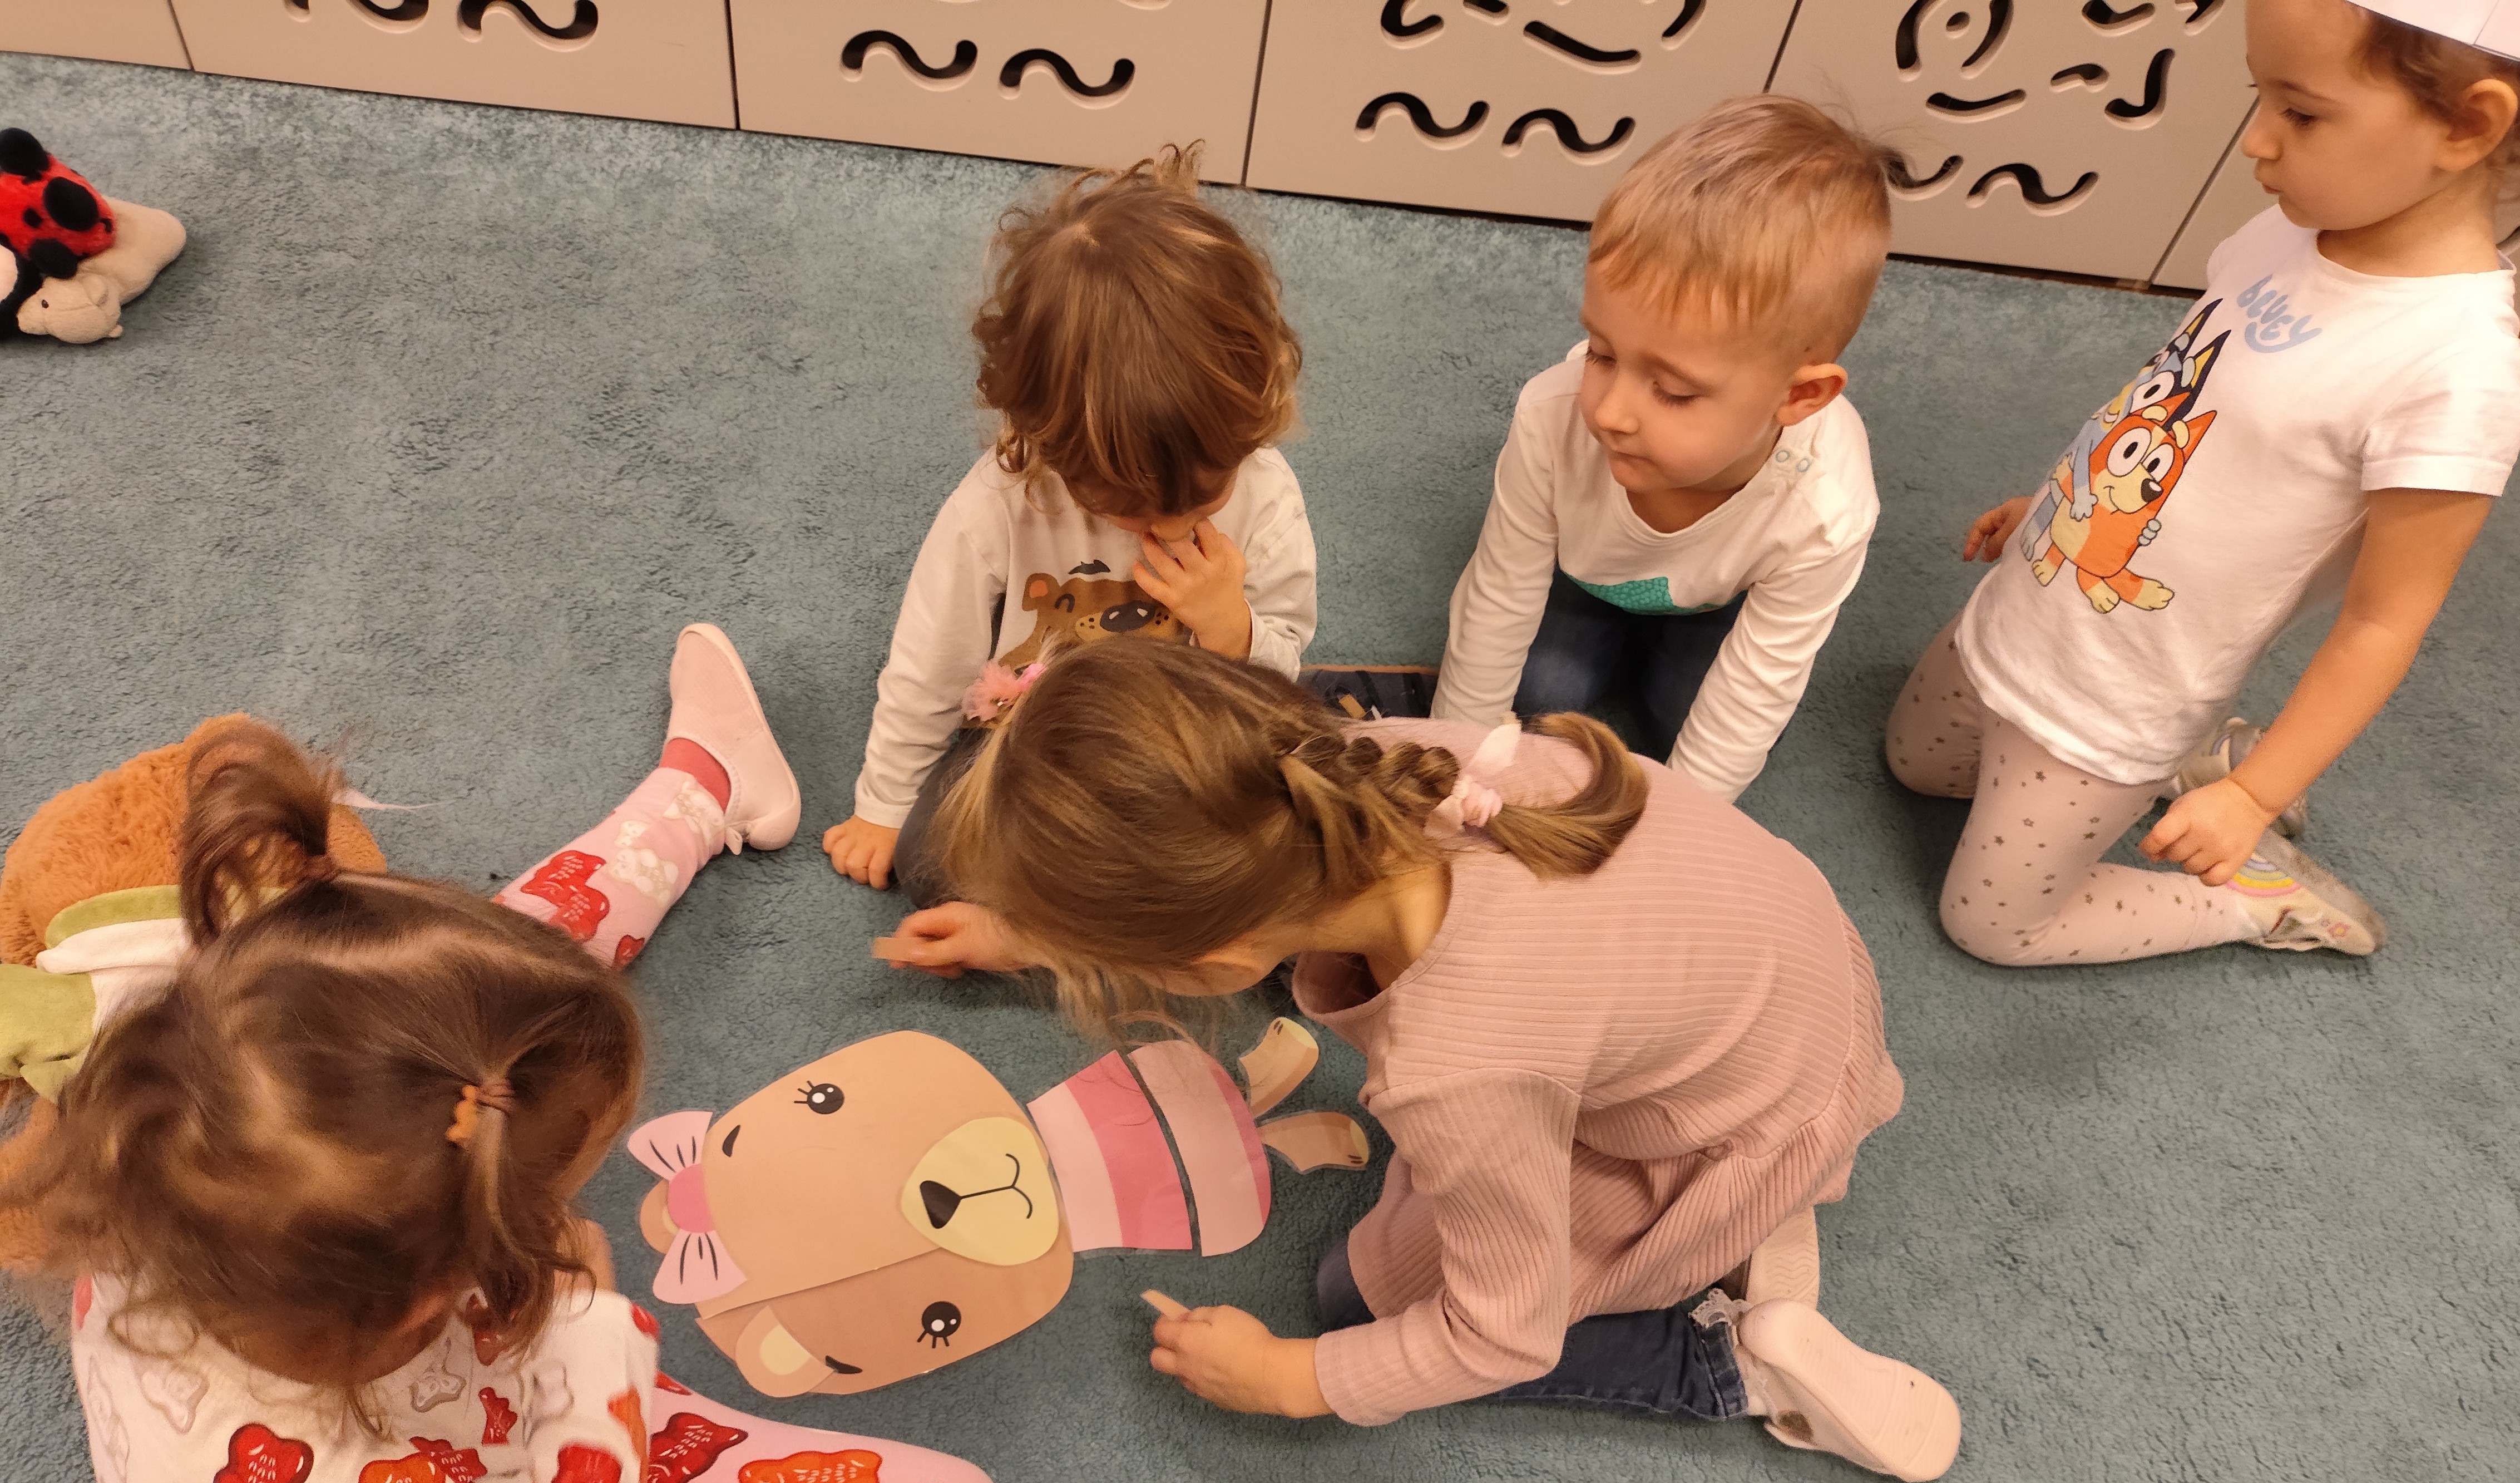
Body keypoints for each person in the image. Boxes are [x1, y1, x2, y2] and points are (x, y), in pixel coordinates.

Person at [10, 679, 1004, 1483]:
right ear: (444, 1293)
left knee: (455, 1001)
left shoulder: (171, 1115)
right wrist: (590, 1333)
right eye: (558, 1188)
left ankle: (698, 794)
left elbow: (416, 1022)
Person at [887, 639, 1962, 1483]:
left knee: (1360, 1304)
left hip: (1743, 1115)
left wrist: (1295, 1379)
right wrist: (1030, 928)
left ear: (1216, 960)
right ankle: (1723, 1212)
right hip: (1787, 972)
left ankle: (1727, 1359)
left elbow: (1503, 1334)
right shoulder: (1371, 762)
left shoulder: (1458, 1066)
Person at [1889, 0, 2520, 964]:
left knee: (1995, 924)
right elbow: (2177, 401)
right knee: (1917, 765)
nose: (2255, 140)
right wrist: (2060, 500)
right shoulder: (2287, 232)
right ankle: (2200, 756)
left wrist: (2255, 796)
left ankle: (2260, 903)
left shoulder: (2458, 373)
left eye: (2300, 113)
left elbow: (2383, 622)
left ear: (2467, 126)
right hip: (2044, 588)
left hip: (2124, 696)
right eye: (2259, 96)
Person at [826, 145, 1318, 904]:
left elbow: (1280, 675)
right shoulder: (1001, 501)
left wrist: (1233, 628)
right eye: (1130, 504)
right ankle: (1109, 914)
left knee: (1289, 844)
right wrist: (883, 803)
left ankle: (1074, 915)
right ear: (1046, 442)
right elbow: (930, 659)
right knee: (929, 860)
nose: (1172, 524)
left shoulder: (1266, 492)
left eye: (1204, 495)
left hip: (1180, 749)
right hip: (1031, 741)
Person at [1429, 96, 1891, 802]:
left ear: (1800, 396)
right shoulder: (1551, 416)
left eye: (1674, 391)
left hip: (1714, 607)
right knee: (1544, 693)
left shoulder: (1829, 511)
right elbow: (1498, 596)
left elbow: (1755, 693)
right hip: (1581, 578)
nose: (1610, 413)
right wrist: (1455, 758)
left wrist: (1683, 824)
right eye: (1602, 352)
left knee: (1697, 725)